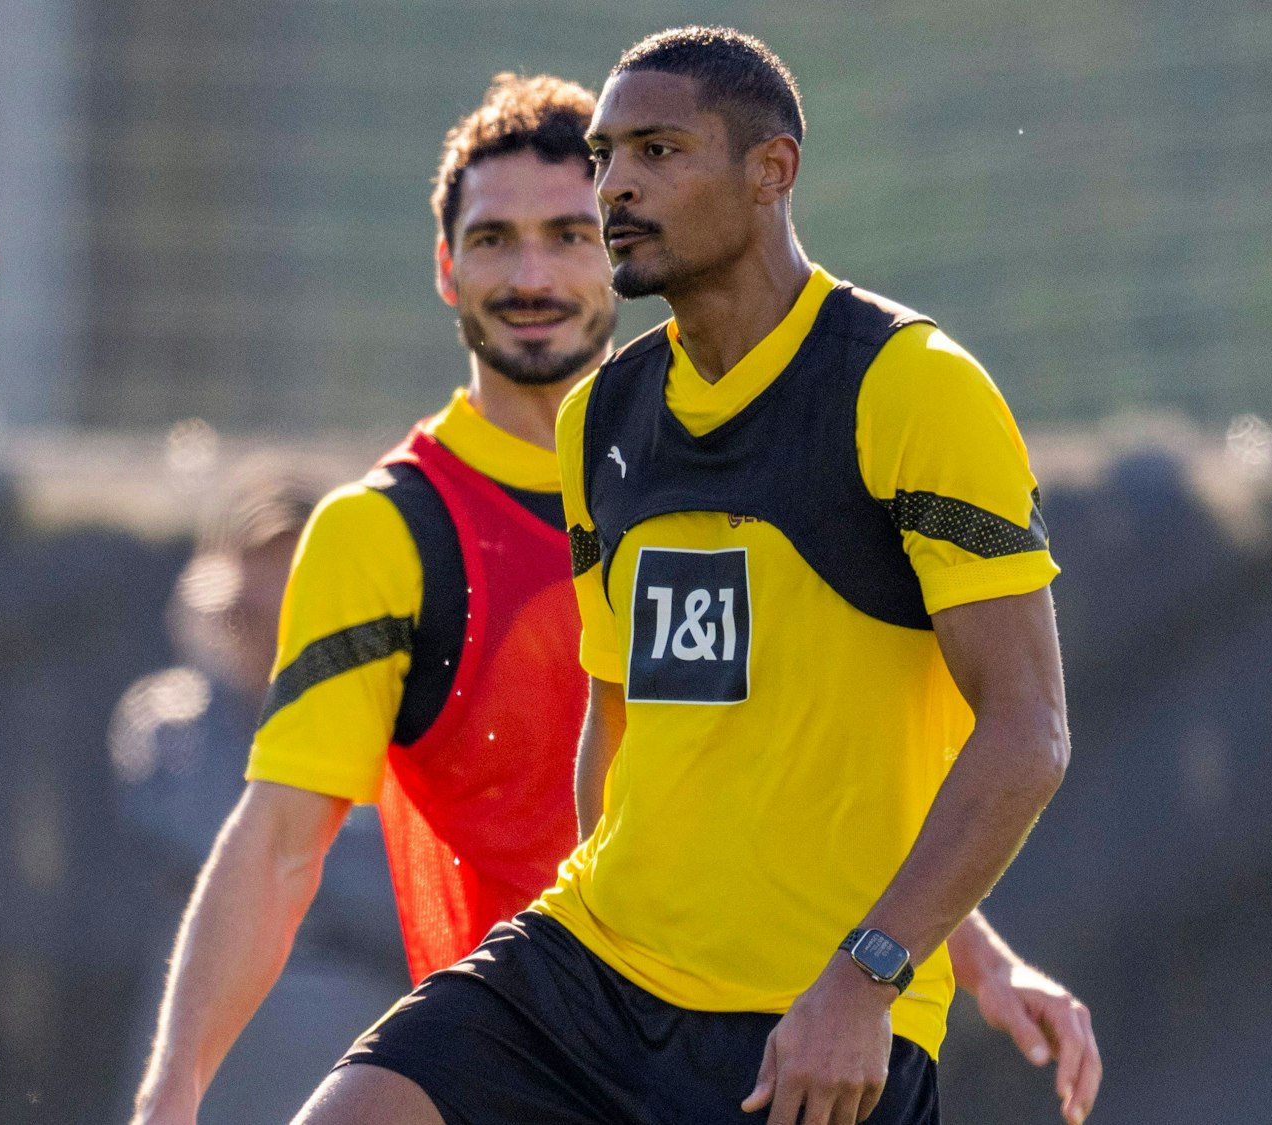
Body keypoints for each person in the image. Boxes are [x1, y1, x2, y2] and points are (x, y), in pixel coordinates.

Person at [139, 65, 1098, 1125]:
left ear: (769, 173)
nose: (601, 206)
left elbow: (909, 751)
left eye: (640, 165)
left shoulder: (894, 389)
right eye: (498, 236)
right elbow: (284, 838)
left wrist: (917, 959)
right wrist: (171, 1092)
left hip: (798, 1011)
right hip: (571, 991)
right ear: (443, 269)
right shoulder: (441, 505)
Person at [109, 463, 408, 1123]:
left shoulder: (401, 739)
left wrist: (283, 866)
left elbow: (401, 904)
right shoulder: (168, 724)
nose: (276, 618)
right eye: (257, 596)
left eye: (299, 595)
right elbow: (193, 821)